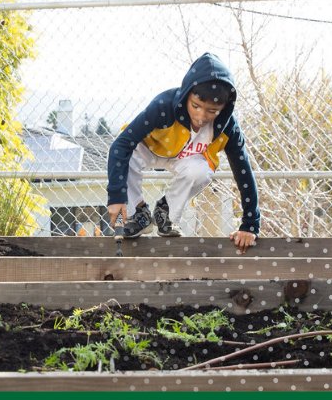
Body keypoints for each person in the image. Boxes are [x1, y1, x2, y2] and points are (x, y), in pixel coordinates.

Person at [106, 52, 259, 251]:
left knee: (201, 171)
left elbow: (243, 171)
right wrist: (117, 198)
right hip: (150, 148)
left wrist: (250, 224)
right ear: (186, 94)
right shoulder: (164, 107)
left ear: (224, 108)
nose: (201, 116)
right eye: (195, 106)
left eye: (212, 111)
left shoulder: (228, 128)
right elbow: (120, 145)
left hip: (187, 159)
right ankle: (138, 214)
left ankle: (166, 212)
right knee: (128, 154)